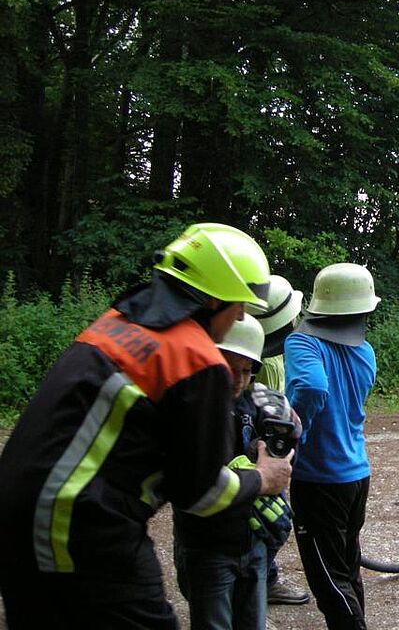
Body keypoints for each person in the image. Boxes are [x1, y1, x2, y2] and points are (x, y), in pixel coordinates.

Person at [0, 223, 293, 629]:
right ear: (212, 298)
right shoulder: (194, 358)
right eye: (238, 304)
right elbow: (201, 493)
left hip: (17, 511)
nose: (241, 315)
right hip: (80, 523)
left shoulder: (112, 325)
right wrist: (262, 478)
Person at [174, 315, 297, 630]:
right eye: (229, 368)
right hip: (208, 546)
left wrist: (289, 427)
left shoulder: (252, 404)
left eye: (246, 370)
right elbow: (196, 484)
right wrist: (261, 477)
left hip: (251, 541)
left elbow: (283, 447)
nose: (239, 379)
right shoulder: (191, 408)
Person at [285, 263, 380, 630]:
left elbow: (311, 387)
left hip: (318, 478)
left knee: (328, 580)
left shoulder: (303, 342)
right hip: (356, 474)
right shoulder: (365, 352)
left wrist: (295, 435)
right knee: (346, 568)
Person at [248, 274, 311, 606]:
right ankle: (264, 581)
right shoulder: (269, 363)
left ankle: (263, 579)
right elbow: (273, 417)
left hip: (254, 451)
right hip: (265, 453)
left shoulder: (256, 353)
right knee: (273, 520)